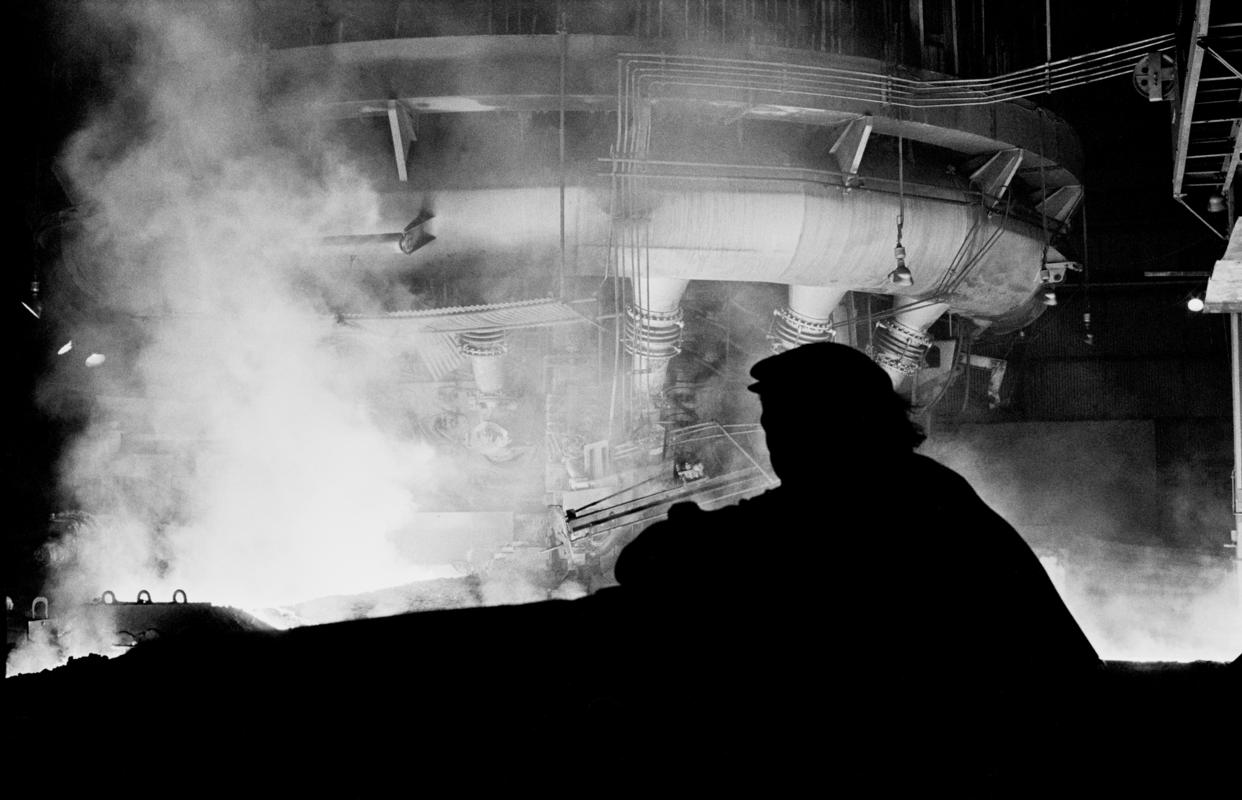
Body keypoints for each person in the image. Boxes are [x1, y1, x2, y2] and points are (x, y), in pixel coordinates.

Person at [608, 342, 1102, 772]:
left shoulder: (866, 497)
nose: (776, 445)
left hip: (1005, 752)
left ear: (844, 423)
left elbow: (647, 563)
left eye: (787, 425)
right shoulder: (924, 485)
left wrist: (690, 526)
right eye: (770, 427)